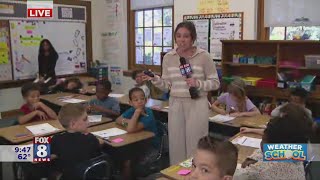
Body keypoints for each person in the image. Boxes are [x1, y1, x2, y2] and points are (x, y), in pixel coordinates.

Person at [143, 21, 220, 164]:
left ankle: (196, 174)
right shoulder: (169, 57)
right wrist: (155, 79)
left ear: (193, 38)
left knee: (195, 144)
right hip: (176, 103)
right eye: (178, 36)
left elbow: (215, 82)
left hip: (197, 103)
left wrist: (198, 83)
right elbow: (167, 86)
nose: (181, 40)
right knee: (176, 144)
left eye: (186, 36)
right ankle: (177, 175)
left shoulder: (204, 56)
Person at [234, 104, 313, 179]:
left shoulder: (260, 171)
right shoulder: (294, 152)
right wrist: (252, 158)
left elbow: (232, 176)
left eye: (263, 139)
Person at [115, 87, 160, 179]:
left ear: (146, 100)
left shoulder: (148, 113)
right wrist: (131, 121)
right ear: (130, 102)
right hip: (135, 143)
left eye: (142, 99)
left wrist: (136, 114)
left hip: (150, 147)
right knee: (121, 156)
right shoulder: (132, 109)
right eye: (136, 100)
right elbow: (118, 120)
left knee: (128, 162)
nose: (139, 101)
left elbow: (130, 129)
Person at [51, 103, 104, 178]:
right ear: (73, 124)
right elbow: (100, 142)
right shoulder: (90, 138)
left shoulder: (56, 139)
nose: (88, 122)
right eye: (85, 119)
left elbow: (38, 156)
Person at [240, 102, 313, 136]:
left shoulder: (290, 129)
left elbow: (270, 133)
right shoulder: (301, 126)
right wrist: (250, 130)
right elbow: (269, 132)